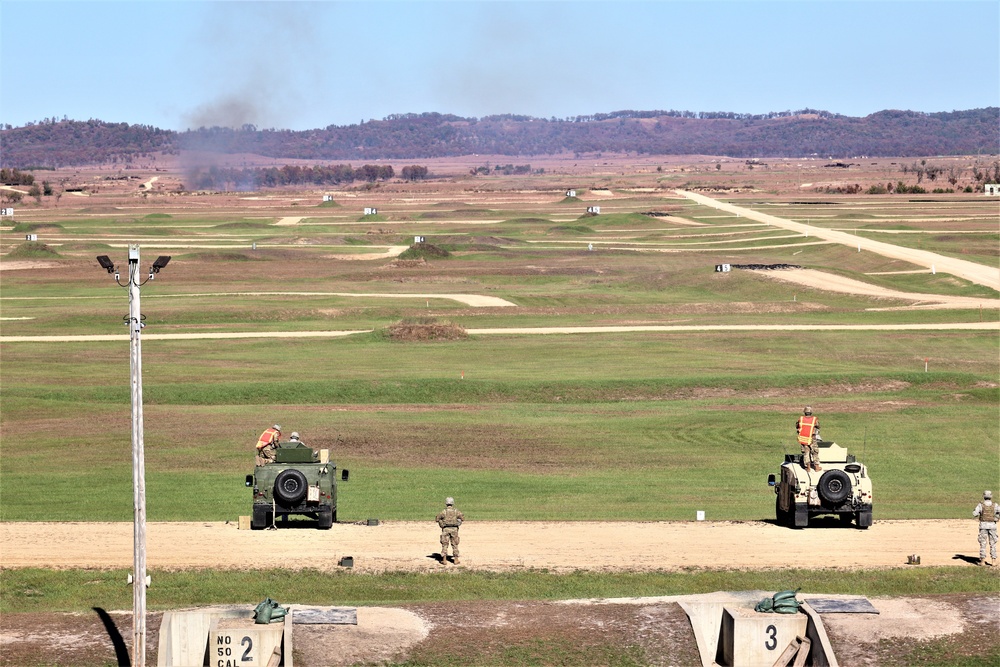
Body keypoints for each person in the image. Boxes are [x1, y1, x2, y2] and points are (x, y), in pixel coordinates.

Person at [436, 497, 465, 564]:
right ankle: (456, 559)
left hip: (445, 529)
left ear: (446, 503)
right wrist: (458, 522)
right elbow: (462, 518)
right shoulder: (456, 511)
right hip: (454, 529)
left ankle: (444, 559)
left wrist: (441, 522)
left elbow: (437, 519)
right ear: (452, 503)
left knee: (444, 544)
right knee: (455, 544)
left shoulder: (444, 512)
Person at [973, 490, 997, 566]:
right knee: (993, 543)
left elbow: (974, 514)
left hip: (983, 526)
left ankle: (982, 561)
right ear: (991, 496)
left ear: (984, 496)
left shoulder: (981, 505)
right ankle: (994, 561)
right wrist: (996, 517)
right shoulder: (995, 505)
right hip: (992, 526)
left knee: (983, 543)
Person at [795, 407, 822, 472]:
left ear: (804, 412)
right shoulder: (814, 419)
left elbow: (797, 426)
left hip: (803, 438)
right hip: (812, 438)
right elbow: (818, 426)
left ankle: (808, 467)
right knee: (814, 452)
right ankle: (816, 467)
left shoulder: (801, 419)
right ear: (811, 412)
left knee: (806, 453)